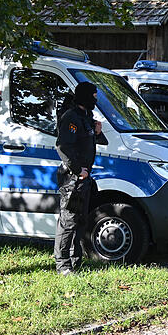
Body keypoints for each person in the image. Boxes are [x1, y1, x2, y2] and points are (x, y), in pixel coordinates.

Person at [54, 81, 103, 275]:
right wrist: (76, 169)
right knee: (68, 220)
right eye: (94, 96)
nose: (96, 100)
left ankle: (75, 261)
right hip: (72, 179)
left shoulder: (86, 116)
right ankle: (63, 265)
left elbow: (86, 141)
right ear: (85, 96)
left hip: (83, 179)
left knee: (80, 221)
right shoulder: (71, 117)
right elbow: (63, 146)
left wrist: (97, 133)